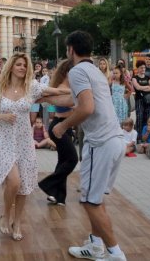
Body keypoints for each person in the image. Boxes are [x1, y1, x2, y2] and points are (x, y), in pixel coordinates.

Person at [51, 31, 127, 261]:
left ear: (71, 49)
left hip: (100, 144)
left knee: (89, 202)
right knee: (96, 199)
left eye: (67, 49)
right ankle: (95, 246)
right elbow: (77, 101)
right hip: (115, 141)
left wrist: (63, 126)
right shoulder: (94, 71)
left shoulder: (77, 71)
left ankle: (115, 253)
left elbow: (86, 108)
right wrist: (45, 98)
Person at [0, 52, 68, 242]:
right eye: (19, 64)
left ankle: (17, 222)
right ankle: (5, 215)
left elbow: (54, 91)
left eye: (24, 65)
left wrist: (77, 89)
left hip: (25, 142)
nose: (22, 68)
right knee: (14, 182)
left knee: (24, 185)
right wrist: (1, 116)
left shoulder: (32, 87)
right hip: (5, 141)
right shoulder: (0, 89)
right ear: (11, 67)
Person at [38, 58, 77, 206]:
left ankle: (57, 196)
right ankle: (48, 184)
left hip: (66, 127)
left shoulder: (70, 87)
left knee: (63, 161)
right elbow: (68, 104)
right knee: (72, 159)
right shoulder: (61, 87)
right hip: (58, 126)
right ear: (67, 73)